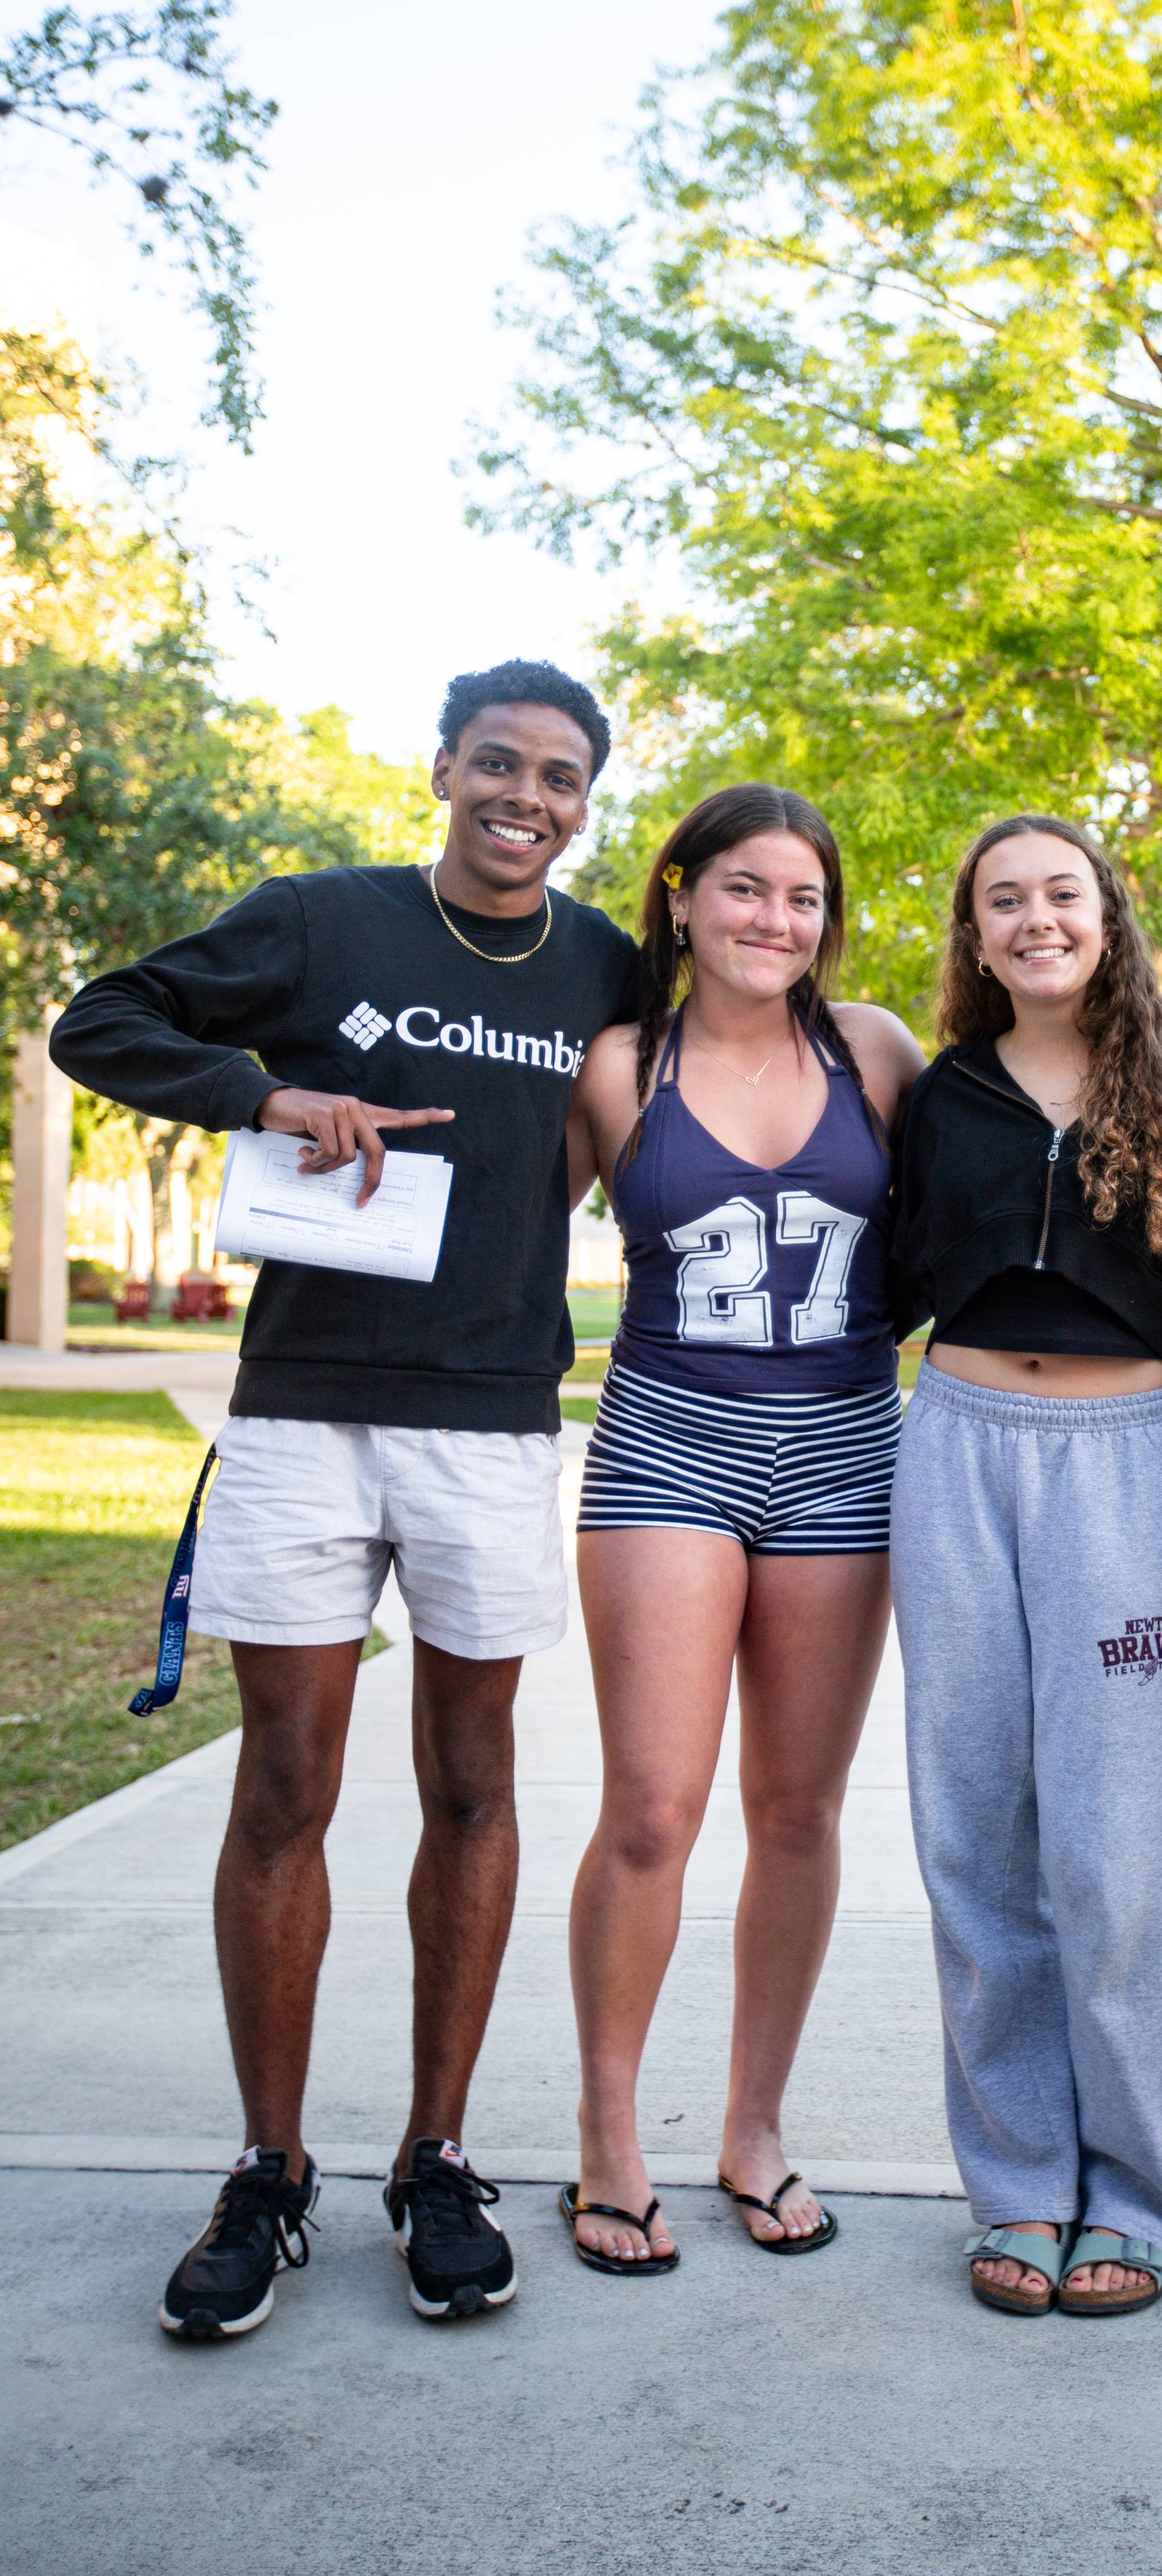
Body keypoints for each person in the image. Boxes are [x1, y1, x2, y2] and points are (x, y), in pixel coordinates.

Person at [50, 661, 639, 2339]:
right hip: (306, 1411)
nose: (526, 797)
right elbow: (100, 1020)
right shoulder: (319, 920)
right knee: (285, 1784)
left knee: (472, 1776)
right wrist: (267, 1094)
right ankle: (269, 2168)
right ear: (444, 767)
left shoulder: (604, 957)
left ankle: (435, 2157)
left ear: (587, 798)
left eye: (559, 777)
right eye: (498, 765)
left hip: (491, 1422)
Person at [887, 816, 1162, 2319]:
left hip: (1121, 1463)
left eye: (1061, 892)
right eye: (1005, 900)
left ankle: (1138, 2194)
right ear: (974, 936)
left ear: (1106, 915)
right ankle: (1018, 2186)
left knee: (1116, 1846)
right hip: (959, 1451)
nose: (1035, 918)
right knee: (975, 1829)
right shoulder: (945, 1095)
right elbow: (886, 1274)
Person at [561, 785, 922, 2274]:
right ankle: (606, 2134)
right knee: (654, 1805)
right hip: (666, 1440)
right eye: (746, 889)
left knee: (797, 1809)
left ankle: (752, 2127)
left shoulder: (878, 1051)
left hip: (846, 1450)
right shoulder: (617, 1064)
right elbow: (507, 1238)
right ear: (682, 891)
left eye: (804, 898)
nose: (776, 920)